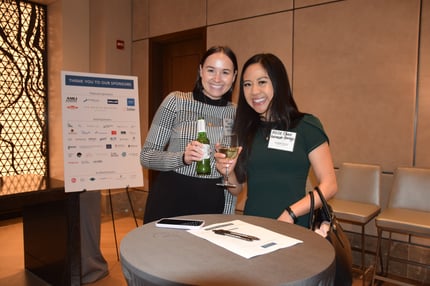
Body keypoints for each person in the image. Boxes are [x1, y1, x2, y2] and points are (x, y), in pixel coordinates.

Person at [215, 53, 337, 227]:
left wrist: (290, 213)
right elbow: (237, 190)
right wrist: (228, 171)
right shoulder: (246, 129)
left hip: (293, 223)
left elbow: (330, 185)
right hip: (254, 224)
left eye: (262, 82)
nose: (254, 91)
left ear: (278, 83)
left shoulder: (306, 126)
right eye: (247, 84)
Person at [140, 46, 242, 224]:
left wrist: (227, 217)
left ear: (234, 77)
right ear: (201, 70)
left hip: (213, 203)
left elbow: (234, 177)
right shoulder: (176, 101)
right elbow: (146, 156)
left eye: (225, 72)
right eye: (211, 70)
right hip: (171, 198)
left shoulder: (237, 114)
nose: (217, 79)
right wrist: (182, 158)